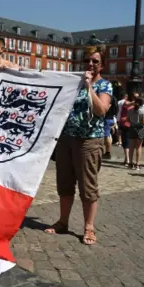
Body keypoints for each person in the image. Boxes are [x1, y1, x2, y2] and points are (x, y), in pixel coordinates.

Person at [44, 45, 112, 246]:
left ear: (102, 65)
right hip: (66, 139)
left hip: (89, 141)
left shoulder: (104, 86)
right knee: (64, 183)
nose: (90, 64)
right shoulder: (74, 84)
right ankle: (63, 222)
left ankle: (89, 228)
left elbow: (101, 110)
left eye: (95, 61)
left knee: (87, 187)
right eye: (87, 61)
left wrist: (89, 86)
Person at [127, 96, 144, 170]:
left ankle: (130, 163)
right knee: (139, 147)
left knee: (131, 147)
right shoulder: (143, 110)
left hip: (132, 128)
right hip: (141, 129)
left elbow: (128, 119)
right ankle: (137, 164)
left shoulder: (130, 110)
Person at [117, 93, 135, 166]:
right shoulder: (126, 103)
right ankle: (127, 159)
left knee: (127, 142)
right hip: (125, 124)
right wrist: (136, 101)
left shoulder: (131, 105)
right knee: (126, 142)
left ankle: (127, 160)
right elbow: (127, 104)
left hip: (127, 124)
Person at [103, 93, 119, 160]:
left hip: (107, 118)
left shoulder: (108, 98)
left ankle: (107, 152)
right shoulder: (114, 98)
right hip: (111, 118)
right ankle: (107, 152)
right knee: (108, 136)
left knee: (107, 136)